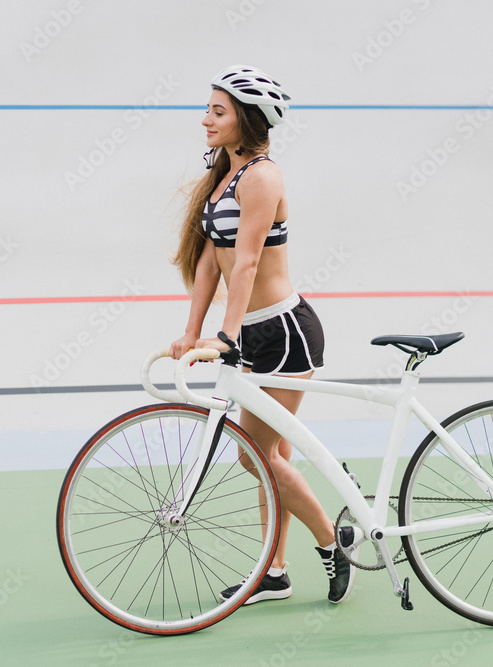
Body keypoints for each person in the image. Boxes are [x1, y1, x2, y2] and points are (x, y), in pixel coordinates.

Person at [169, 65, 356, 606]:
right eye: (208, 108)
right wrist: (191, 332)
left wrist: (225, 336)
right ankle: (274, 571)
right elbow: (209, 263)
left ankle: (332, 540)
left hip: (283, 332)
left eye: (217, 111)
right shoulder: (226, 176)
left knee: (257, 455)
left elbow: (247, 263)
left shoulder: (262, 177)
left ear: (246, 120)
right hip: (252, 333)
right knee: (267, 455)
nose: (205, 119)